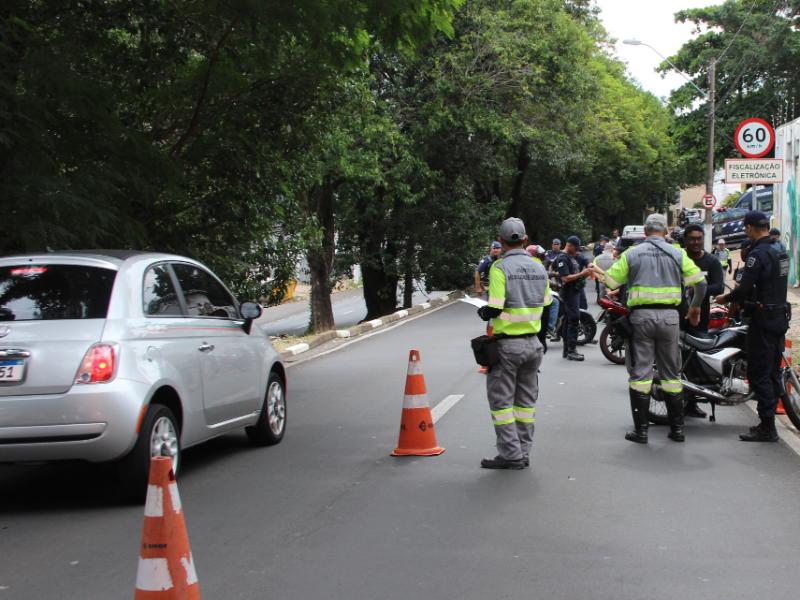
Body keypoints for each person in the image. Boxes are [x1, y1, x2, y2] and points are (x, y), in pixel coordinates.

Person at [591, 213, 707, 444]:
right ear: (665, 231)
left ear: (645, 232)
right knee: (672, 374)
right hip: (670, 319)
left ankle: (641, 431)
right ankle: (677, 430)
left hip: (642, 319)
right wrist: (694, 308)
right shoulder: (677, 253)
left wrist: (596, 270)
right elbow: (701, 284)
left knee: (641, 374)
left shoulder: (631, 254)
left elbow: (611, 282)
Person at [476, 217, 551, 469]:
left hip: (507, 347)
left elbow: (496, 306)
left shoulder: (499, 268)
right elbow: (547, 301)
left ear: (501, 241)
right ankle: (523, 452)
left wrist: (485, 311)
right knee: (525, 405)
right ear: (525, 239)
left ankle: (511, 455)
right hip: (533, 345)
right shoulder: (539, 266)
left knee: (502, 404)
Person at [714, 211, 790, 442]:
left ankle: (767, 427)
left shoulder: (758, 254)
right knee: (772, 371)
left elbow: (744, 287)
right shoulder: (781, 251)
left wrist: (724, 299)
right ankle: (768, 423)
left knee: (758, 373)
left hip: (762, 319)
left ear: (748, 228)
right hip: (779, 318)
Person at [681, 223, 725, 418]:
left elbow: (719, 287)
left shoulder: (712, 262)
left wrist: (699, 288)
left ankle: (691, 403)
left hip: (700, 320)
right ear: (686, 240)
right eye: (692, 238)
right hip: (677, 319)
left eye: (699, 238)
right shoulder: (678, 259)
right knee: (678, 363)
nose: (696, 242)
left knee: (696, 364)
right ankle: (679, 403)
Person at [554, 235, 592, 361]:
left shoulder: (572, 257)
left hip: (575, 291)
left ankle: (567, 350)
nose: (576, 251)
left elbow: (582, 262)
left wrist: (586, 271)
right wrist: (582, 274)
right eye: (575, 248)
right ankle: (572, 350)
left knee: (568, 321)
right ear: (569, 245)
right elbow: (565, 278)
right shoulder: (562, 258)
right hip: (568, 293)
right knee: (574, 319)